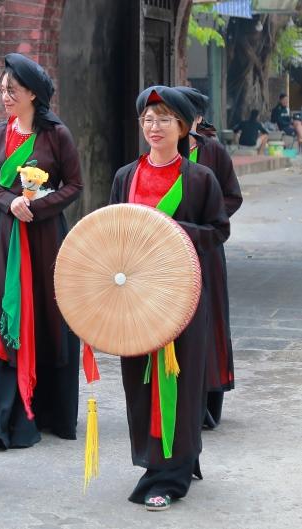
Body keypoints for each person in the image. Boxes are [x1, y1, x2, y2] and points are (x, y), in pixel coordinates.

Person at [110, 86, 230, 511]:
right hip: (136, 297)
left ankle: (171, 473)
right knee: (139, 381)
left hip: (182, 294)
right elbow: (114, 233)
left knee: (179, 380)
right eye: (147, 118)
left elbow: (217, 231)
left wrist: (169, 228)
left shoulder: (200, 179)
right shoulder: (126, 176)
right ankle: (156, 457)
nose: (153, 126)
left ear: (183, 125)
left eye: (163, 118)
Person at [0, 53, 83, 449]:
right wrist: (10, 203)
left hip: (45, 240)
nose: (4, 96)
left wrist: (36, 206)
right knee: (6, 313)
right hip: (8, 238)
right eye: (2, 89)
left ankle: (48, 409)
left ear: (34, 95)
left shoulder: (57, 135)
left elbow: (74, 185)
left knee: (45, 315)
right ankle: (2, 414)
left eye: (13, 90)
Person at [175, 86, 243, 428]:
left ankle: (209, 399)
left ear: (197, 119)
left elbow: (232, 197)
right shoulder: (160, 153)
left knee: (209, 320)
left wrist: (204, 220)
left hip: (205, 250)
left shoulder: (213, 152)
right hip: (168, 253)